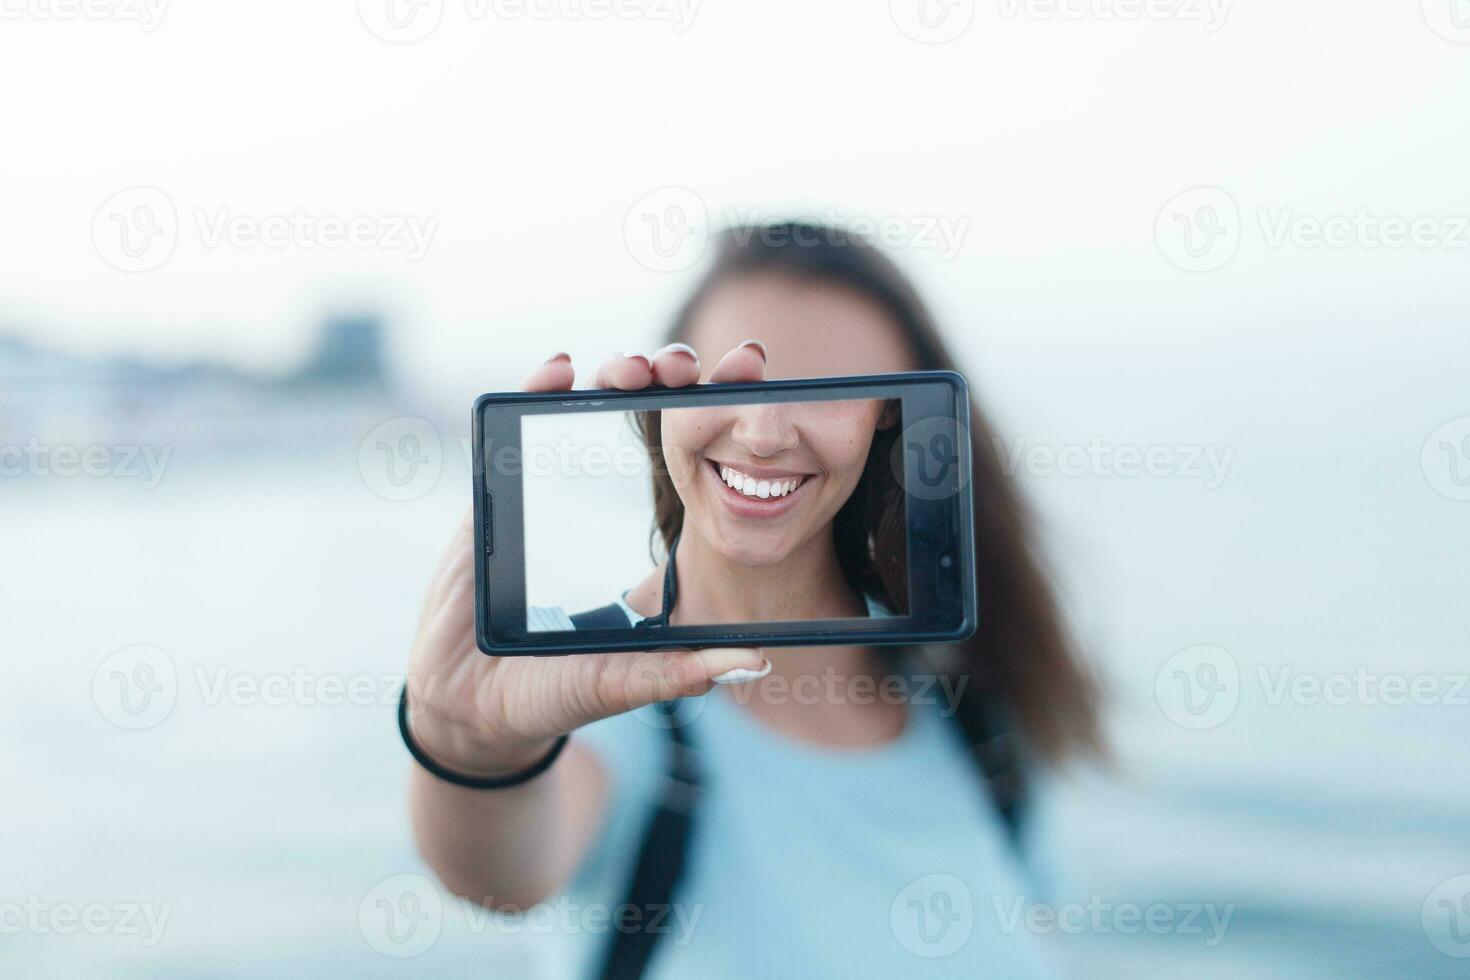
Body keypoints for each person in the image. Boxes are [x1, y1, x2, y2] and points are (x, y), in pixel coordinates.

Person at [404, 223, 1101, 978]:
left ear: (890, 416)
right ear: (663, 399)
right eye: (727, 383)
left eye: (827, 388)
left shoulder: (977, 724)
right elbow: (502, 876)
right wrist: (471, 753)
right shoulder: (606, 707)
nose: (765, 432)